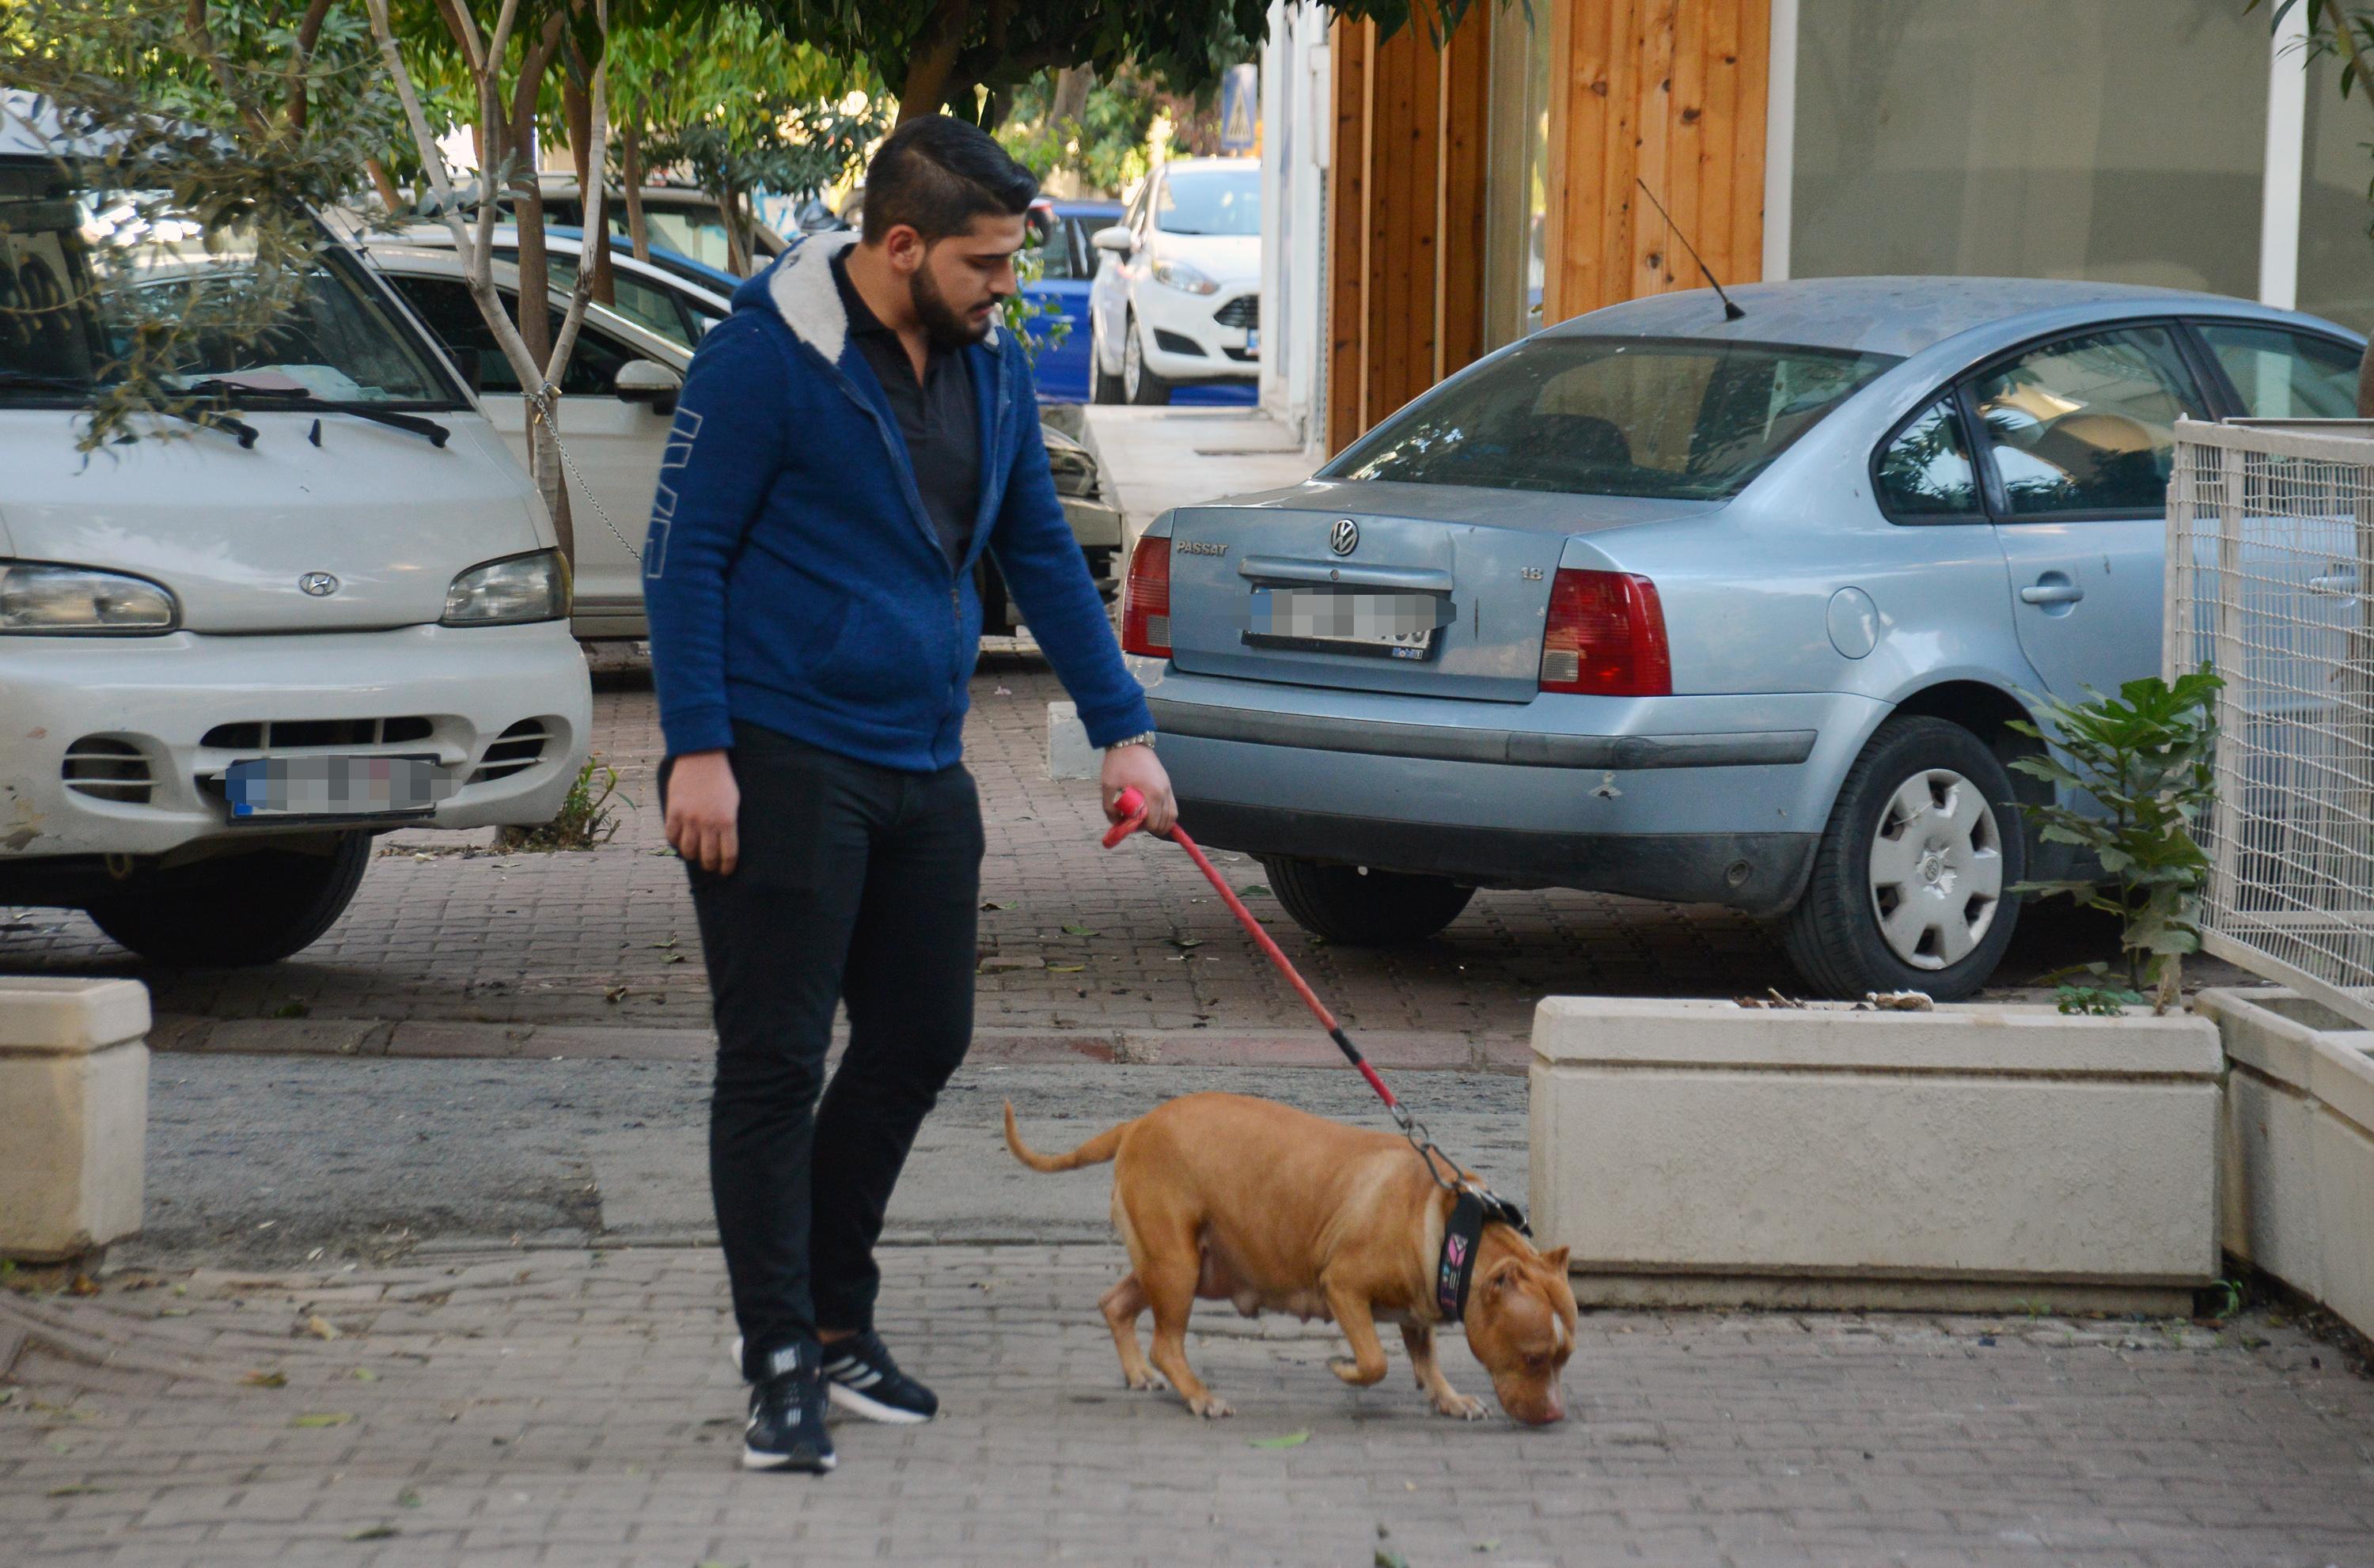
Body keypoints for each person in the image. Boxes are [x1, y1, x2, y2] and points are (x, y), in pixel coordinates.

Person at [642, 114, 1176, 1475]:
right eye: (988, 261)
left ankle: (828, 1318)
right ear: (900, 247)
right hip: (775, 752)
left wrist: (1126, 729)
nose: (1011, 287)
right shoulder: (764, 358)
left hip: (921, 760)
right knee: (770, 1062)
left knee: (922, 1032)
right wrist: (697, 746)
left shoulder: (988, 373)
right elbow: (681, 559)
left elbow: (1040, 549)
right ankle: (780, 1357)